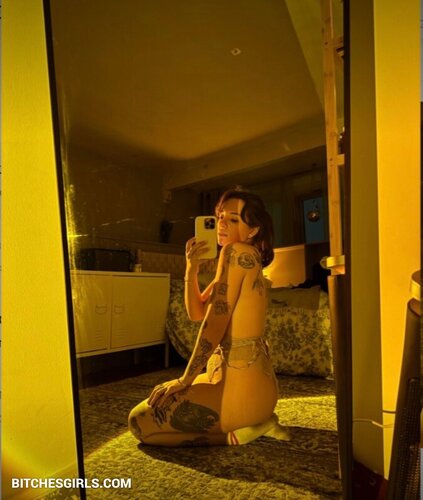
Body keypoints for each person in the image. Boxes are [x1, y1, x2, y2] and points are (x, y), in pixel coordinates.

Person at [128, 187, 290, 446]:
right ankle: (256, 422)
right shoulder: (240, 257)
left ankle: (242, 432)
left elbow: (214, 323)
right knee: (155, 404)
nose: (222, 224)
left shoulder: (236, 252)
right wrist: (191, 269)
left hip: (241, 389)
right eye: (220, 216)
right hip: (245, 385)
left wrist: (185, 379)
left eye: (233, 219)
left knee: (140, 423)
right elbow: (196, 313)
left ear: (253, 230)